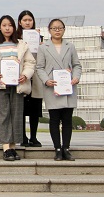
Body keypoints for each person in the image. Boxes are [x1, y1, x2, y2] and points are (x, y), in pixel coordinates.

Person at [0, 15, 36, 161]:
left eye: (10, 25)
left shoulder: (21, 44)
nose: (7, 28)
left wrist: (25, 75)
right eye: (4, 25)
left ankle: (13, 147)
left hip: (18, 84)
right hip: (0, 85)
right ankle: (6, 148)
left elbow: (30, 63)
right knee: (3, 115)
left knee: (16, 115)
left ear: (14, 27)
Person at [36, 19, 82, 161]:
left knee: (67, 119)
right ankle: (57, 148)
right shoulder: (44, 47)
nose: (57, 30)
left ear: (64, 30)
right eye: (54, 28)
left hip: (68, 86)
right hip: (53, 87)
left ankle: (66, 148)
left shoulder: (70, 46)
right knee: (54, 119)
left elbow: (76, 65)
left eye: (60, 28)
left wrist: (76, 77)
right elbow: (39, 67)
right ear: (49, 30)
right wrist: (46, 80)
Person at [17, 10, 44, 147]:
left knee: (35, 108)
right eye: (25, 20)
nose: (27, 22)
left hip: (36, 76)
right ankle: (22, 136)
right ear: (20, 22)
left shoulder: (40, 37)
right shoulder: (16, 38)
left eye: (30, 20)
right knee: (21, 108)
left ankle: (34, 136)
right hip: (21, 75)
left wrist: (40, 43)